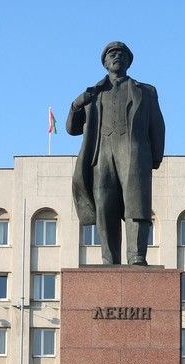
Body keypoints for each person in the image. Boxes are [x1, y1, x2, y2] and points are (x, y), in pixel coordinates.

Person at [66, 41, 166, 266]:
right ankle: (109, 260)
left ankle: (137, 256)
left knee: (136, 207)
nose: (117, 57)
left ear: (129, 61)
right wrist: (76, 105)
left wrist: (155, 156)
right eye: (112, 54)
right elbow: (72, 129)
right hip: (101, 154)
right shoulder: (93, 94)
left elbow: (158, 125)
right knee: (105, 207)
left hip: (134, 154)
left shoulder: (146, 91)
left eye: (122, 54)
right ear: (105, 62)